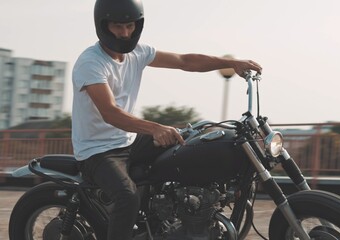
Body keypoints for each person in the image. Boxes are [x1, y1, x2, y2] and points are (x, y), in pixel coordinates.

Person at [71, 0, 262, 239]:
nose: (125, 33)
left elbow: (185, 61)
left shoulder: (138, 52)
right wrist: (154, 128)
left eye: (129, 26)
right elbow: (109, 112)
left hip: (128, 140)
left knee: (192, 146)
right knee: (127, 197)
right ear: (103, 25)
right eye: (118, 26)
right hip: (96, 150)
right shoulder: (91, 62)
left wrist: (231, 63)